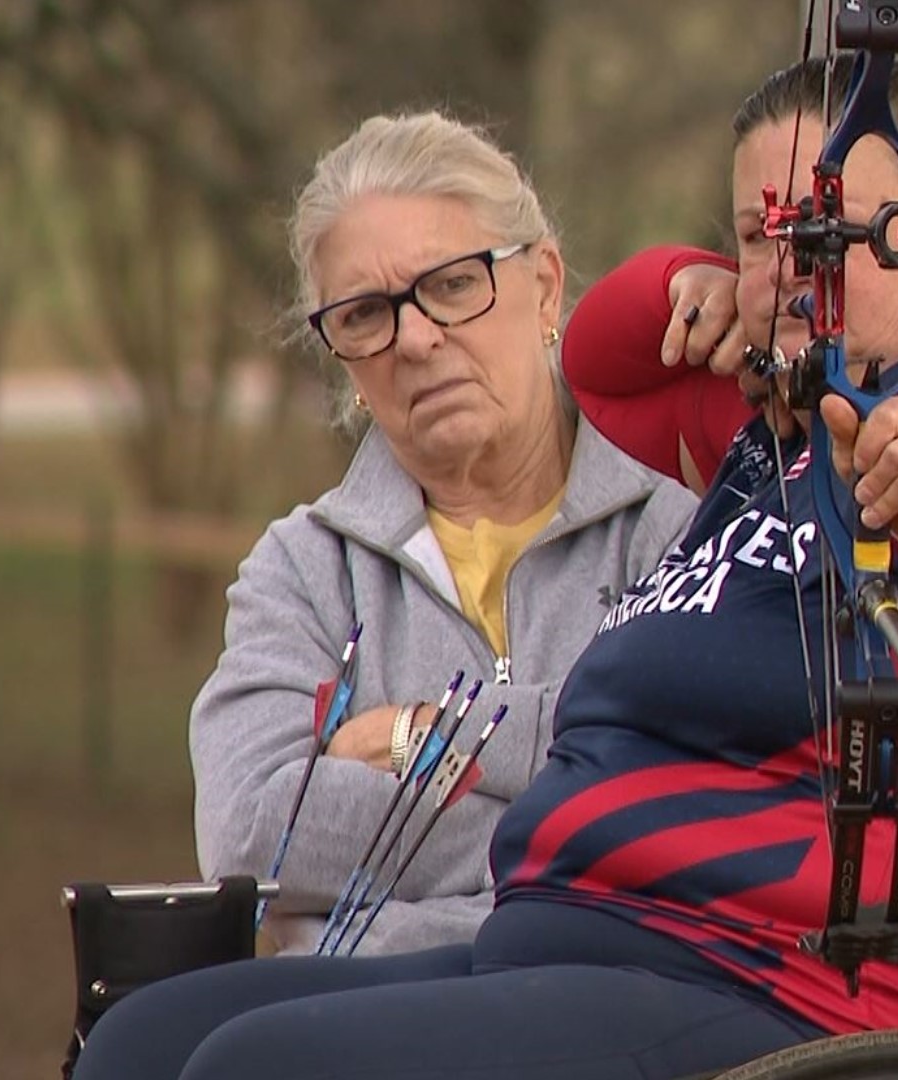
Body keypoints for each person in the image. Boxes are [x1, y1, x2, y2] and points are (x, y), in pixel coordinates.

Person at [73, 54, 898, 1080]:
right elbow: (603, 352)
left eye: (841, 239)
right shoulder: (772, 443)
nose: (795, 277)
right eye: (764, 238)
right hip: (577, 936)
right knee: (138, 1043)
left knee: (252, 1071)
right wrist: (702, 280)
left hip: (776, 984)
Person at [189, 110, 698, 957]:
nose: (417, 339)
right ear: (343, 362)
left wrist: (405, 735)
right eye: (363, 315)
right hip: (356, 1024)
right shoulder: (304, 571)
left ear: (545, 288)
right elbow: (250, 836)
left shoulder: (672, 540)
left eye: (455, 283)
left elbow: (677, 813)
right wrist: (558, 821)